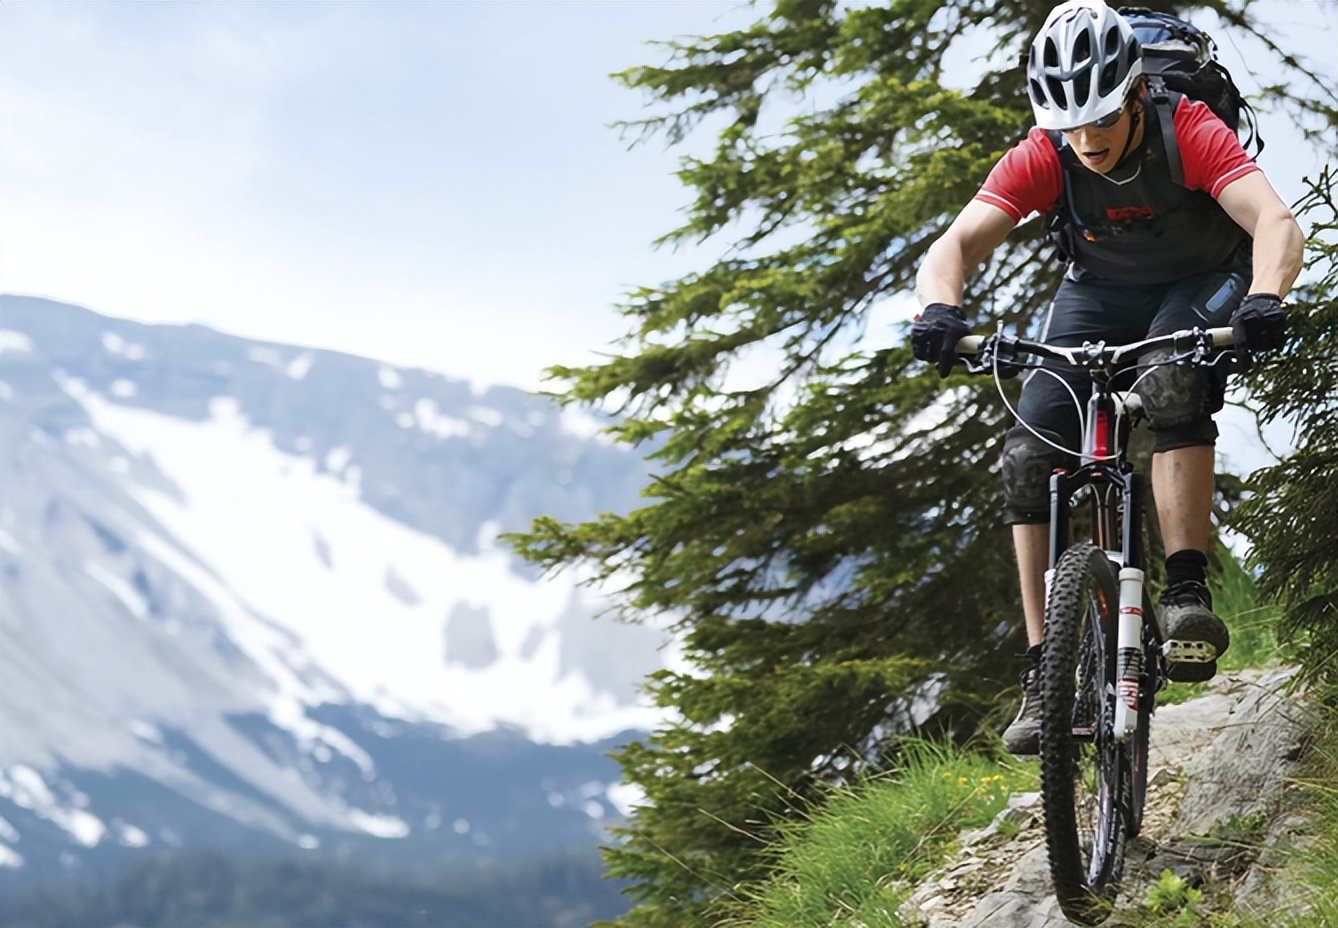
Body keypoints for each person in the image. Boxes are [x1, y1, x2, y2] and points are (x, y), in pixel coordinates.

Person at [911, 0, 1303, 755]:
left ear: (1133, 96)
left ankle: (1186, 592)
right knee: (1029, 458)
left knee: (1168, 382)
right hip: (1098, 293)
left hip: (1201, 281)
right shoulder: (1046, 150)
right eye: (1070, 125)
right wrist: (939, 312)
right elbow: (955, 243)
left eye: (1099, 120)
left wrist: (1264, 298)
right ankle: (1041, 671)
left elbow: (1275, 222)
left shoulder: (1185, 126)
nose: (1085, 141)